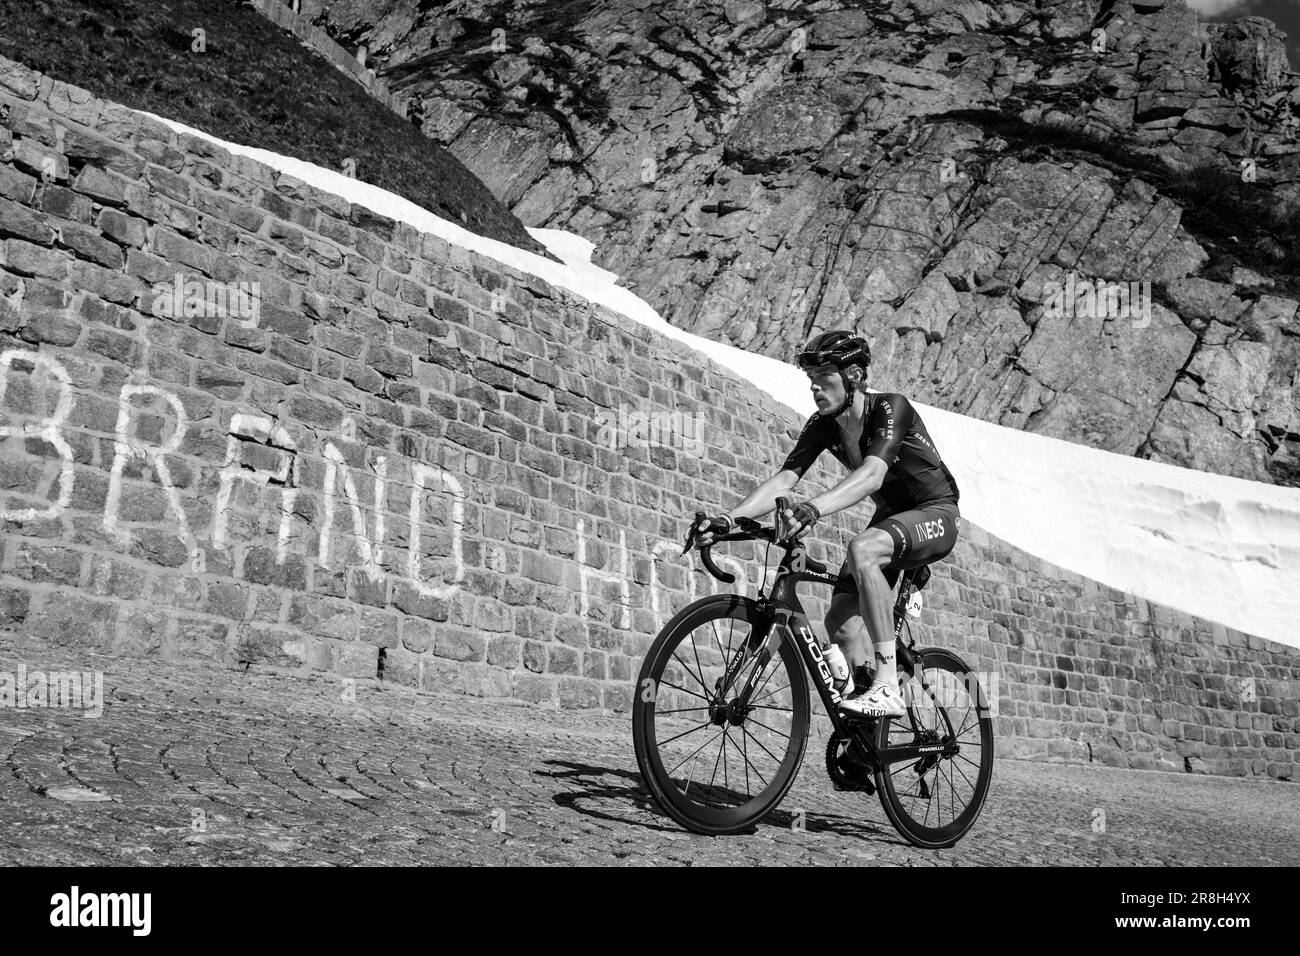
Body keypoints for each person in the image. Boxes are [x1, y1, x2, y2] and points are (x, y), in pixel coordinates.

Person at [694, 330, 961, 718]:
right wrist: (728, 518)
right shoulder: (823, 425)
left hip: (936, 512)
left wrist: (814, 508)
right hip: (892, 519)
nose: (815, 387)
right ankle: (864, 732)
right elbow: (784, 480)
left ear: (854, 375)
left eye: (824, 376)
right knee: (840, 624)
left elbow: (872, 475)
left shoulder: (891, 408)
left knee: (862, 549)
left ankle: (887, 686)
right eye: (811, 378)